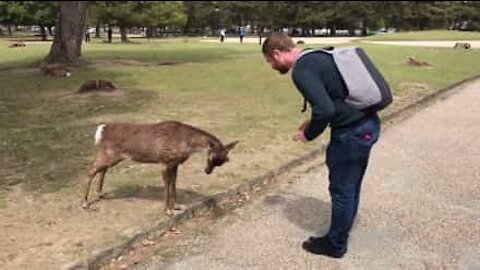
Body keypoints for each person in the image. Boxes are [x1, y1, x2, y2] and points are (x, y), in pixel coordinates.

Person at [262, 33, 381, 258]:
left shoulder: (302, 70)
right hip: (368, 125)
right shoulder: (319, 56)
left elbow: (325, 110)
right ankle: (341, 231)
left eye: (270, 61)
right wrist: (314, 119)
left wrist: (308, 134)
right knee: (351, 185)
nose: (272, 66)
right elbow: (333, 98)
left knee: (342, 189)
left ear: (277, 53)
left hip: (351, 134)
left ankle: (335, 244)